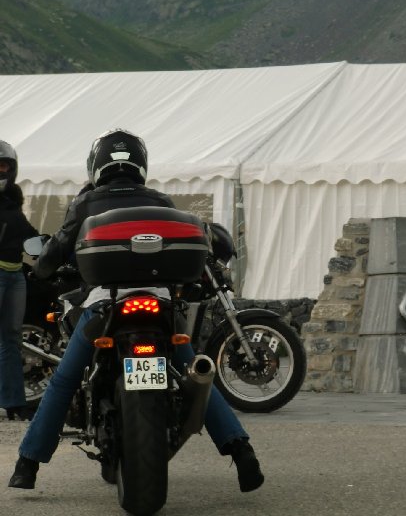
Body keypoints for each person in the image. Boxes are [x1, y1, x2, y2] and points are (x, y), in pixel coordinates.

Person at [8, 129, 265, 492]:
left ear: (96, 166)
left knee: (65, 380)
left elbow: (55, 252)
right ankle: (242, 453)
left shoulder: (85, 203)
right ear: (141, 164)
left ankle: (28, 465)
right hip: (160, 304)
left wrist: (43, 268)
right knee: (196, 375)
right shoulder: (160, 201)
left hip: (104, 304)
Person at [0, 141, 39, 421]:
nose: (0, 171)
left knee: (11, 340)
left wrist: (47, 245)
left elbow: (28, 234)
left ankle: (14, 402)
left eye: (3, 165)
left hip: (15, 274)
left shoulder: (13, 200)